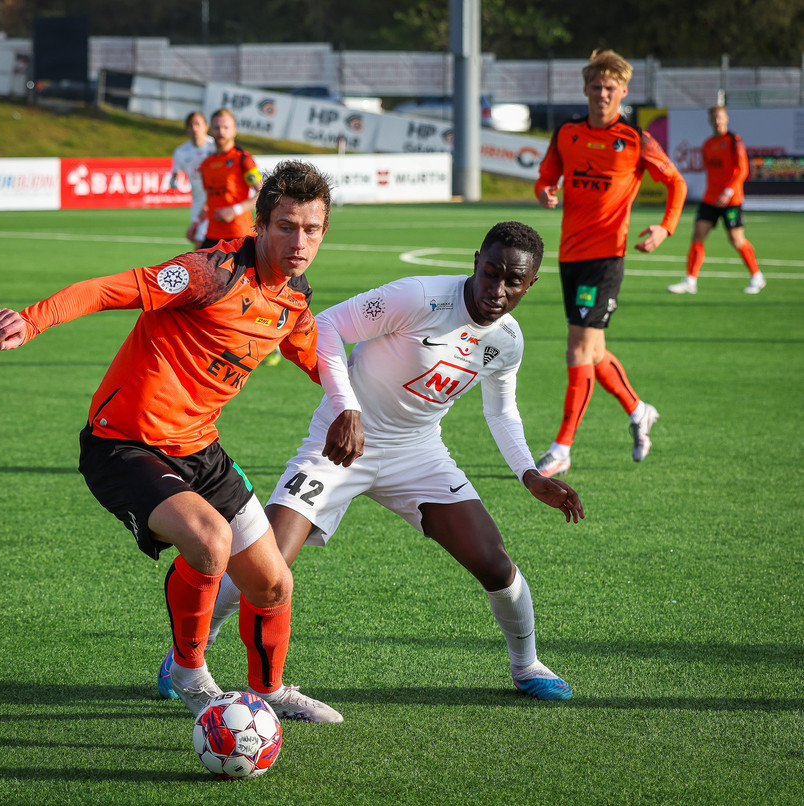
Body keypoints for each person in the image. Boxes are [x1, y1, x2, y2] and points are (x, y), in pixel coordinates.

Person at [162, 221, 585, 701]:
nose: (498, 289)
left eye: (514, 282)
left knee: (494, 562)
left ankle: (527, 666)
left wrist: (529, 473)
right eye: (491, 272)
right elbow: (326, 325)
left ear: (531, 284)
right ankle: (186, 657)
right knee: (265, 563)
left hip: (419, 453)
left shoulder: (507, 339)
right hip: (342, 443)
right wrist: (347, 407)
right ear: (476, 262)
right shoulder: (419, 296)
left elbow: (501, 410)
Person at [0, 160, 343, 723]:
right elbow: (109, 290)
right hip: (123, 444)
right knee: (209, 541)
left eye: (311, 229)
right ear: (259, 226)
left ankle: (270, 690)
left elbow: (315, 357)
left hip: (201, 449)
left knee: (274, 584)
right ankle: (189, 672)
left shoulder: (293, 298)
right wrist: (31, 320)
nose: (299, 242)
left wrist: (364, 399)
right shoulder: (210, 272)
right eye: (285, 227)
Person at [534, 49, 688, 477]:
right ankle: (639, 411)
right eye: (596, 86)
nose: (602, 93)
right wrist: (544, 192)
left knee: (578, 348)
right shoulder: (566, 133)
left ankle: (562, 448)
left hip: (606, 258)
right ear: (585, 88)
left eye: (610, 87)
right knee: (595, 351)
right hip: (570, 255)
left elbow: (675, 182)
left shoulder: (636, 139)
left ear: (623, 91)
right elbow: (546, 177)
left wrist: (665, 228)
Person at [668, 105, 765, 295]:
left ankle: (757, 276)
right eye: (714, 118)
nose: (717, 121)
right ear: (710, 120)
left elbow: (743, 170)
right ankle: (690, 280)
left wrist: (728, 191)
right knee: (698, 235)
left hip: (731, 200)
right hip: (710, 199)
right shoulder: (708, 144)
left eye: (720, 117)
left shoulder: (734, 141)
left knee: (736, 239)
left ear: (727, 118)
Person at [195, 108, 263, 250]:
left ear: (234, 131)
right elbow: (211, 197)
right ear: (210, 130)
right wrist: (196, 223)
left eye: (226, 127)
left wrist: (234, 210)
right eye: (217, 127)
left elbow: (262, 193)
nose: (221, 131)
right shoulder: (206, 164)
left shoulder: (243, 159)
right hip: (212, 235)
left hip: (239, 236)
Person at [168, 111, 217, 245]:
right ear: (187, 129)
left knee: (201, 245)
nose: (194, 128)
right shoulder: (181, 151)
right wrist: (175, 179)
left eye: (197, 124)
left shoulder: (215, 147)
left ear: (206, 126)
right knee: (201, 246)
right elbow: (173, 182)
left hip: (216, 201)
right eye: (190, 125)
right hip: (198, 203)